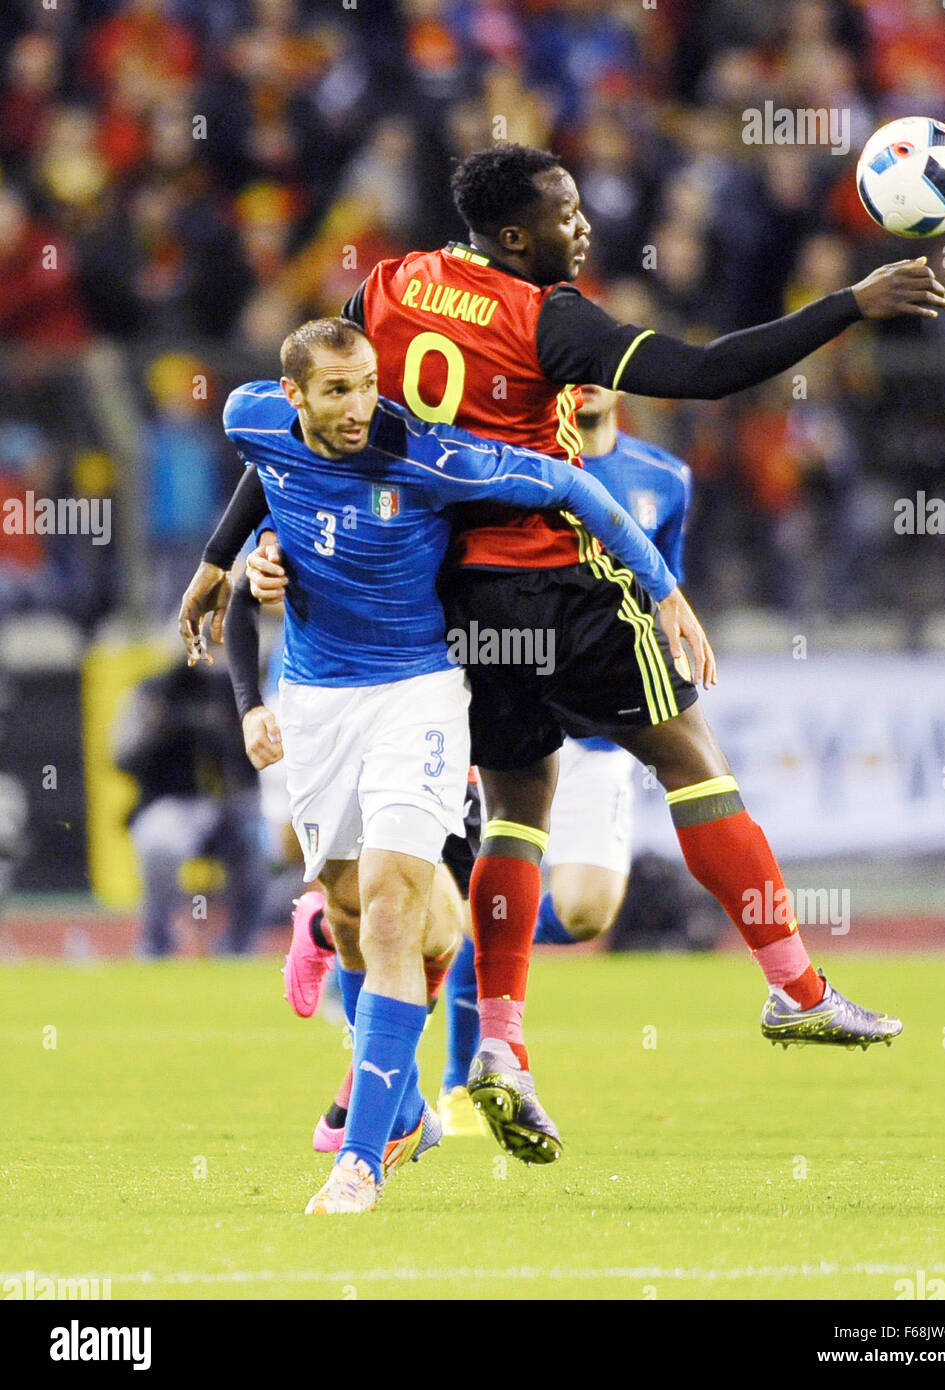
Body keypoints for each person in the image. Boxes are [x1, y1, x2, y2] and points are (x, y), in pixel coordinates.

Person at [183, 142, 927, 1162]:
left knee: (520, 806)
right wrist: (850, 302)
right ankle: (795, 987)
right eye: (566, 213)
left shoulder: (391, 284)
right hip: (554, 574)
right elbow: (707, 372)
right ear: (519, 235)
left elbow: (308, 430)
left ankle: (501, 1048)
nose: (583, 228)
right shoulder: (550, 317)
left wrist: (227, 554)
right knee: (691, 761)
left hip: (454, 599)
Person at [189, 314, 690, 1209]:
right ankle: (405, 1098)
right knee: (359, 913)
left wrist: (666, 591)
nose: (358, 408)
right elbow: (264, 474)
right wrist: (221, 562)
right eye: (337, 392)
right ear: (294, 395)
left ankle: (361, 1157)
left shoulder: (433, 457)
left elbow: (572, 486)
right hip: (315, 703)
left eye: (368, 385)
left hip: (419, 695)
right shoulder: (250, 418)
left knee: (386, 909)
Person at [438, 385, 691, 1130]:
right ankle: (460, 1081)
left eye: (598, 366)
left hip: (599, 728)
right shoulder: (516, 462)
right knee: (491, 862)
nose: (585, 382)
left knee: (585, 912)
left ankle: (465, 941)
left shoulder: (665, 478)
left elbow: (663, 582)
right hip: (514, 708)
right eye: (569, 369)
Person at [113, 656, 267, 957]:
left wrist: (223, 735)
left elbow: (257, 761)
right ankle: (156, 944)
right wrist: (164, 730)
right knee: (160, 845)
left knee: (258, 844)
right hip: (170, 802)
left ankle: (239, 947)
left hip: (225, 804)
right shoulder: (152, 691)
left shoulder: (234, 691)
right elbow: (123, 758)